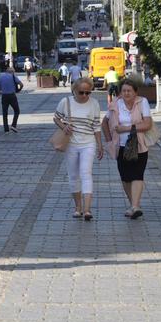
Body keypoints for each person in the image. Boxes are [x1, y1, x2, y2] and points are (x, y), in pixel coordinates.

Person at [102, 79, 153, 219]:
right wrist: (108, 141)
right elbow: (105, 122)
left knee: (137, 174)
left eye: (129, 90)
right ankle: (133, 205)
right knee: (125, 177)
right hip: (121, 146)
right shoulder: (115, 104)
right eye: (124, 90)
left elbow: (147, 124)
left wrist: (127, 128)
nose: (126, 93)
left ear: (135, 92)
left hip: (139, 145)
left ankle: (135, 206)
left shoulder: (142, 102)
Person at [54, 78, 103, 221]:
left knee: (86, 173)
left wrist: (100, 144)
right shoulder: (66, 102)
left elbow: (96, 125)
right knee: (73, 175)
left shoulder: (94, 103)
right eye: (81, 92)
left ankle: (87, 210)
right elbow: (56, 118)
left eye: (88, 92)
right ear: (74, 90)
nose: (85, 96)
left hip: (88, 143)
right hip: (71, 144)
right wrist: (64, 126)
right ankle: (78, 207)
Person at [0, 66, 23, 133]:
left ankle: (6, 129)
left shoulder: (1, 76)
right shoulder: (13, 76)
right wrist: (19, 90)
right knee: (17, 110)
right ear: (12, 72)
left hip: (4, 96)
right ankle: (13, 125)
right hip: (12, 96)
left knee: (4, 112)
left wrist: (1, 91)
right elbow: (21, 84)